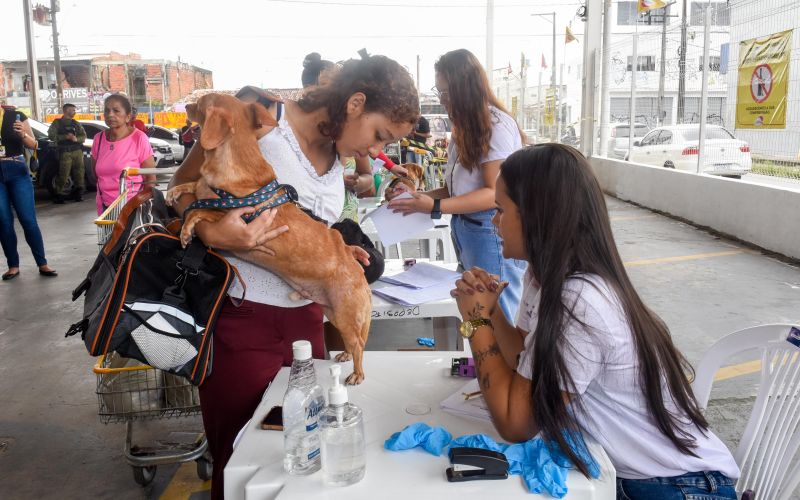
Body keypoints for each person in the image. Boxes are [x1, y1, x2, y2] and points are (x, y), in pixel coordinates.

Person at [169, 55, 419, 499]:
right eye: (379, 135)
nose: (374, 150)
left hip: (305, 324)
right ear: (355, 104)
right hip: (239, 318)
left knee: (304, 454)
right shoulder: (256, 113)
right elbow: (179, 186)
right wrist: (212, 232)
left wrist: (336, 251)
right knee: (239, 455)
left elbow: (303, 227)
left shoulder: (336, 154)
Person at [450, 144, 739, 500]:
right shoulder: (543, 277)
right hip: (632, 476)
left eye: (501, 210)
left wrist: (476, 322)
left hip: (676, 486)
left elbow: (516, 423)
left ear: (536, 216)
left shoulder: (578, 299)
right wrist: (491, 310)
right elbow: (522, 358)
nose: (495, 222)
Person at [389, 48, 526, 320]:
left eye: (447, 93)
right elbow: (455, 190)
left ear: (466, 88)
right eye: (439, 91)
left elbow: (493, 194)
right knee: (473, 307)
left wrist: (435, 206)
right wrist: (416, 197)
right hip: (466, 229)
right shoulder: (464, 127)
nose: (442, 100)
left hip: (490, 230)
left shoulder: (495, 125)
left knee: (496, 313)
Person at [0, 106, 57, 280]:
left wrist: (22, 134)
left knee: (28, 219)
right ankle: (13, 266)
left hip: (17, 169)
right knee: (4, 222)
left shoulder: (15, 115)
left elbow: (34, 144)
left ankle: (42, 263)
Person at [91, 94, 156, 215]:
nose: (110, 114)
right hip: (105, 209)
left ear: (128, 117)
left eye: (116, 111)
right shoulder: (98, 139)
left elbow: (150, 179)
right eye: (107, 110)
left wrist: (139, 205)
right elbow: (96, 175)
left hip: (133, 209)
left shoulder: (139, 138)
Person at [47, 103, 87, 203]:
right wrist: (65, 137)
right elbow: (51, 136)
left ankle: (78, 194)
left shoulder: (76, 123)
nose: (74, 112)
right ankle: (58, 195)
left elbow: (83, 136)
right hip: (65, 152)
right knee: (63, 174)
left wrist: (76, 139)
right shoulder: (57, 123)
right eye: (73, 110)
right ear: (66, 110)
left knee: (79, 173)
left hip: (77, 151)